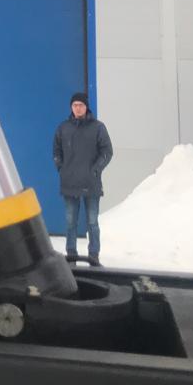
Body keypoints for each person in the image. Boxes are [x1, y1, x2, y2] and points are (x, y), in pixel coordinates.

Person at [52, 91, 112, 264]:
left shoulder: (98, 127)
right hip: (69, 183)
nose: (78, 108)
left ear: (86, 107)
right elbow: (56, 151)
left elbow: (107, 151)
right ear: (71, 107)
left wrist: (96, 170)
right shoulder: (63, 128)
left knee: (92, 222)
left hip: (91, 182)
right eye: (75, 105)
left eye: (81, 105)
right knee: (70, 221)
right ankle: (71, 253)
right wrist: (61, 168)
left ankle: (94, 254)